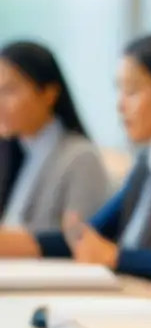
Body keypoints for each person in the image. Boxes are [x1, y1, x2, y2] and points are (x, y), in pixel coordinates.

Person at [0, 33, 151, 280]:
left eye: (132, 92)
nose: (120, 106)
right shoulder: (147, 162)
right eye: (118, 91)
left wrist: (119, 258)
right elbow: (91, 237)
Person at [0, 41, 109, 231]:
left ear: (49, 94)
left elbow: (81, 240)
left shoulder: (80, 158)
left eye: (10, 90)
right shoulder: (13, 150)